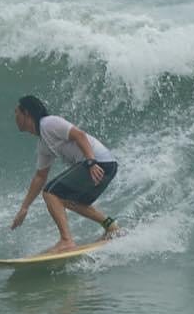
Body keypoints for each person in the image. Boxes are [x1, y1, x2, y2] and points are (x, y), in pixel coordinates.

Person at [10, 95, 122, 254]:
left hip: (98, 163)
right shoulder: (43, 143)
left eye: (16, 112)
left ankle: (66, 241)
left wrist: (91, 162)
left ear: (26, 113)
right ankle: (112, 227)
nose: (15, 116)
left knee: (50, 193)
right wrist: (24, 208)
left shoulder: (49, 123)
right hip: (107, 165)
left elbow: (79, 135)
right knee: (66, 199)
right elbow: (40, 176)